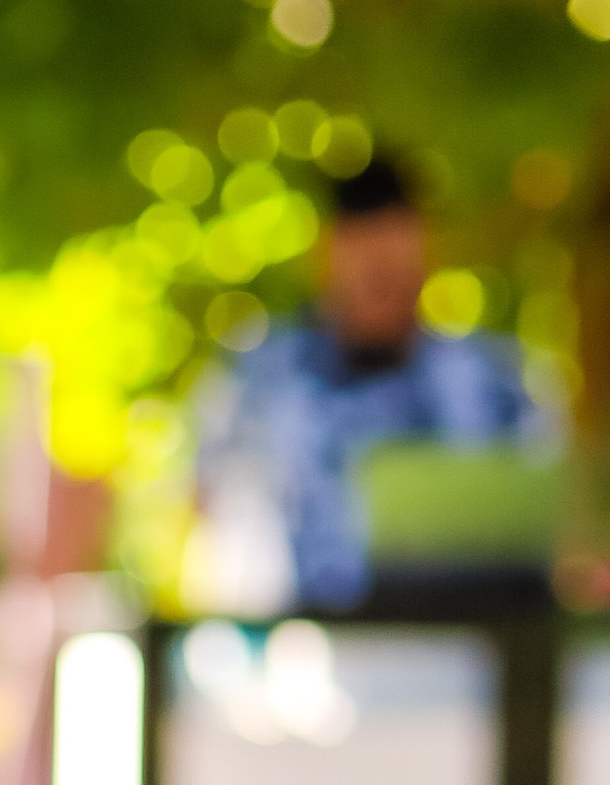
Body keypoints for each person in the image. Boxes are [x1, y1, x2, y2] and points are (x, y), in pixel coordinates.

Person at [193, 151, 544, 614]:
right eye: (362, 253)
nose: (378, 275)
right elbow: (205, 507)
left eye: (394, 261)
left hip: (465, 654)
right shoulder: (256, 379)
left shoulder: (494, 381)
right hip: (293, 658)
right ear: (326, 254)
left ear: (427, 252)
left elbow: (540, 526)